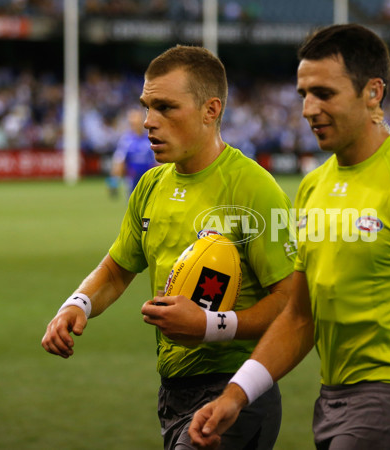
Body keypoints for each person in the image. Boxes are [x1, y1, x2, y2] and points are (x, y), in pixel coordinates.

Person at [188, 24, 390, 450]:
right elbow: (300, 317)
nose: (307, 108)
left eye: (323, 93)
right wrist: (235, 394)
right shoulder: (312, 187)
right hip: (333, 401)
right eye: (303, 93)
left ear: (373, 93)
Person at [41, 45, 296, 450]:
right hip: (173, 392)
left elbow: (290, 304)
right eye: (146, 107)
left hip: (237, 392)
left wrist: (209, 327)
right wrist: (76, 304)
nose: (148, 122)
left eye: (165, 108)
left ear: (211, 110)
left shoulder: (254, 188)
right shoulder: (151, 185)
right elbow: (116, 269)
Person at [110, 106, 158, 200]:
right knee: (134, 206)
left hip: (149, 179)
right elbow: (119, 161)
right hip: (132, 180)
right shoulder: (126, 140)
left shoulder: (150, 138)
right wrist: (114, 182)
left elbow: (157, 161)